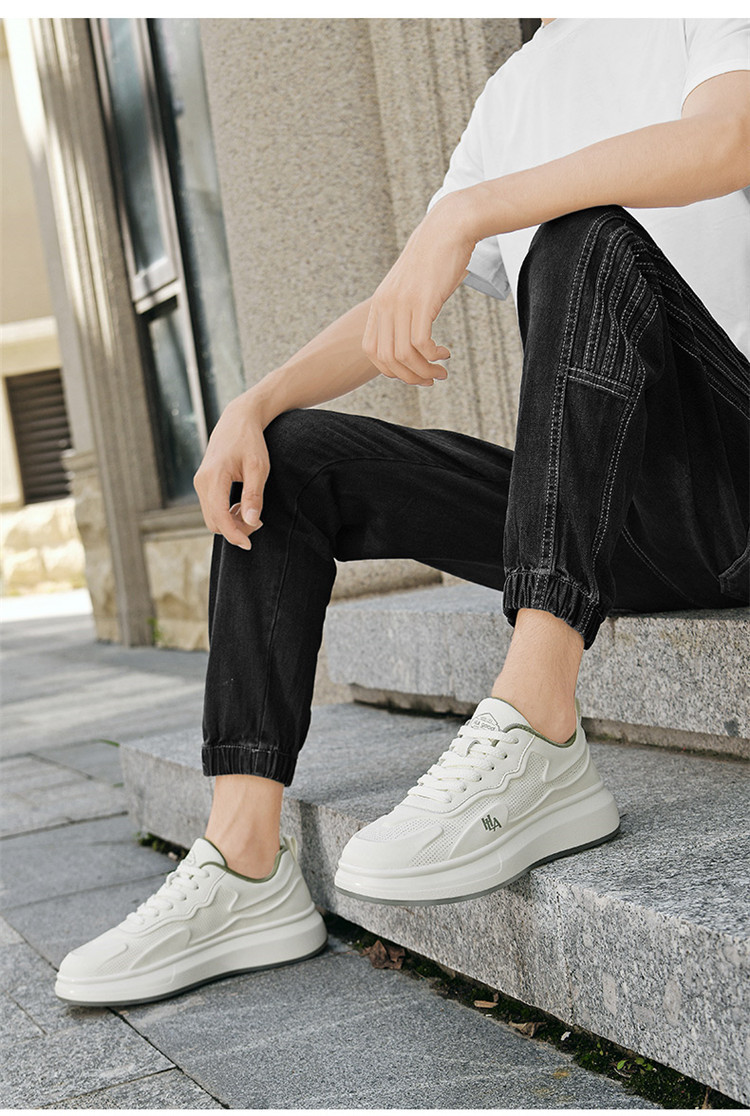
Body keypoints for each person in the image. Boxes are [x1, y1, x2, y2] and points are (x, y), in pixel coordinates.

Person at [55, 18, 749, 1005]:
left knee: (582, 234)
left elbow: (726, 139)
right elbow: (400, 300)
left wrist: (473, 210)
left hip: (736, 480)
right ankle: (243, 863)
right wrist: (254, 402)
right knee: (287, 457)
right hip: (615, 521)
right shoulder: (512, 92)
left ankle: (538, 727)